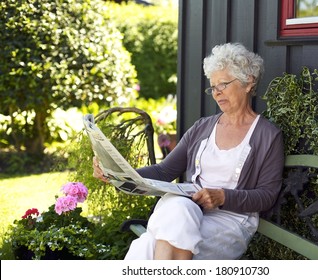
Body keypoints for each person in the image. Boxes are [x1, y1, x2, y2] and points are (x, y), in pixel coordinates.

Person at [93, 42, 284, 260]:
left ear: (248, 82)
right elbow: (164, 171)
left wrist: (222, 196)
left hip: (230, 220)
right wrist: (118, 174)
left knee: (146, 247)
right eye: (212, 87)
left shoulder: (267, 135)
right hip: (189, 210)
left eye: (223, 84)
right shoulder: (202, 128)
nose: (216, 93)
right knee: (177, 210)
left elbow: (267, 196)